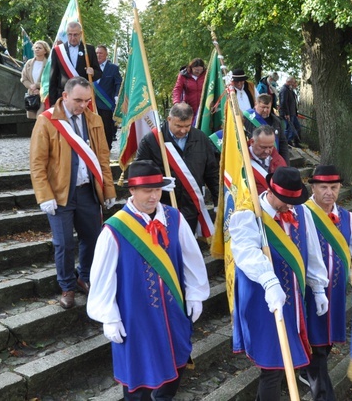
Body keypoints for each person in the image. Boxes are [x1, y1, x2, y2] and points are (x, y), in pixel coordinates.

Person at [87, 160, 210, 400]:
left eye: (157, 190)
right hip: (135, 317)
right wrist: (108, 316)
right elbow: (102, 277)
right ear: (132, 190)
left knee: (177, 364)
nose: (154, 196)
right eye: (147, 190)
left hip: (174, 313)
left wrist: (195, 293)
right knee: (138, 381)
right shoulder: (114, 229)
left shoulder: (174, 218)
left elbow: (192, 258)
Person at [230, 166, 329, 401]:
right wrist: (269, 281)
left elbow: (313, 252)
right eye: (284, 200)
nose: (289, 206)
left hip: (293, 301)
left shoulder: (302, 212)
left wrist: (318, 288)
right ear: (271, 192)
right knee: (273, 366)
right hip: (261, 299)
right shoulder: (247, 214)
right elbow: (246, 253)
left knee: (282, 364)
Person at [30, 77, 116, 309]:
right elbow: (37, 163)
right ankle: (67, 286)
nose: (83, 105)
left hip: (88, 191)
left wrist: (108, 188)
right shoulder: (47, 121)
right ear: (65, 96)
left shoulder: (94, 120)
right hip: (59, 194)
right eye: (78, 100)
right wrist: (44, 195)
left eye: (87, 101)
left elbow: (103, 158)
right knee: (64, 243)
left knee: (93, 238)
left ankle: (84, 277)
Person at [301, 165, 352, 401]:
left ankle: (310, 373)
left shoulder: (349, 217)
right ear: (313, 187)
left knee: (324, 343)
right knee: (316, 344)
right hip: (307, 291)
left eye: (334, 187)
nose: (329, 192)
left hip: (335, 293)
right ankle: (323, 394)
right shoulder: (301, 213)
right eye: (323, 187)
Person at [136, 103, 219, 238]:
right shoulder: (151, 140)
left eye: (187, 126)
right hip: (161, 206)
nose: (183, 131)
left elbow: (212, 172)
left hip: (191, 206)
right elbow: (139, 173)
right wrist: (159, 181)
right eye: (179, 126)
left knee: (186, 246)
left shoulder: (201, 138)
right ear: (169, 119)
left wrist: (217, 200)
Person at [48, 21, 101, 105]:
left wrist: (93, 72)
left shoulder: (89, 50)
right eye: (70, 34)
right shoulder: (58, 51)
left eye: (75, 34)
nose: (72, 38)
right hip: (64, 96)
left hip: (82, 98)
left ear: (81, 34)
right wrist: (53, 103)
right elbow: (53, 77)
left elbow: (99, 73)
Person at [243, 93, 289, 165]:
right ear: (256, 104)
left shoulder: (276, 121)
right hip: (253, 162)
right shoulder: (246, 118)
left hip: (273, 161)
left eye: (268, 108)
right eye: (263, 107)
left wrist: (286, 164)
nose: (265, 110)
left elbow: (282, 143)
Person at [94, 44, 122, 149]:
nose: (98, 55)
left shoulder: (113, 68)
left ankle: (107, 149)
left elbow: (118, 82)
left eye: (101, 53)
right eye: (96, 53)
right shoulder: (90, 66)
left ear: (106, 54)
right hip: (93, 104)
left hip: (106, 105)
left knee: (106, 129)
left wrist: (116, 96)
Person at [248, 125, 287, 192]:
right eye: (263, 147)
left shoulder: (279, 161)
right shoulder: (240, 159)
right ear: (252, 142)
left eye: (270, 147)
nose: (267, 151)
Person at [20, 39, 50, 118]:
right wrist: (31, 86)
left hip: (44, 95)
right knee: (32, 119)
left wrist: (37, 86)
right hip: (31, 96)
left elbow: (51, 80)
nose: (37, 49)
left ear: (45, 51)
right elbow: (23, 78)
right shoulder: (29, 63)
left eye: (39, 48)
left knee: (41, 118)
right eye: (35, 48)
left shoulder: (49, 64)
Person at [171, 58, 206, 122]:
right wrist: (176, 102)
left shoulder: (206, 74)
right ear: (191, 68)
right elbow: (177, 89)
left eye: (201, 70)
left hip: (204, 105)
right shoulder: (183, 75)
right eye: (196, 70)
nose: (199, 72)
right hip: (189, 106)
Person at [280, 76, 301, 147]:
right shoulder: (284, 90)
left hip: (293, 113)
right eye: (292, 82)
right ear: (289, 82)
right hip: (288, 113)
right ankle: (286, 143)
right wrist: (286, 113)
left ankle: (294, 142)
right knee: (288, 129)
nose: (293, 84)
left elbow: (293, 102)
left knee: (297, 127)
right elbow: (283, 102)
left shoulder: (289, 90)